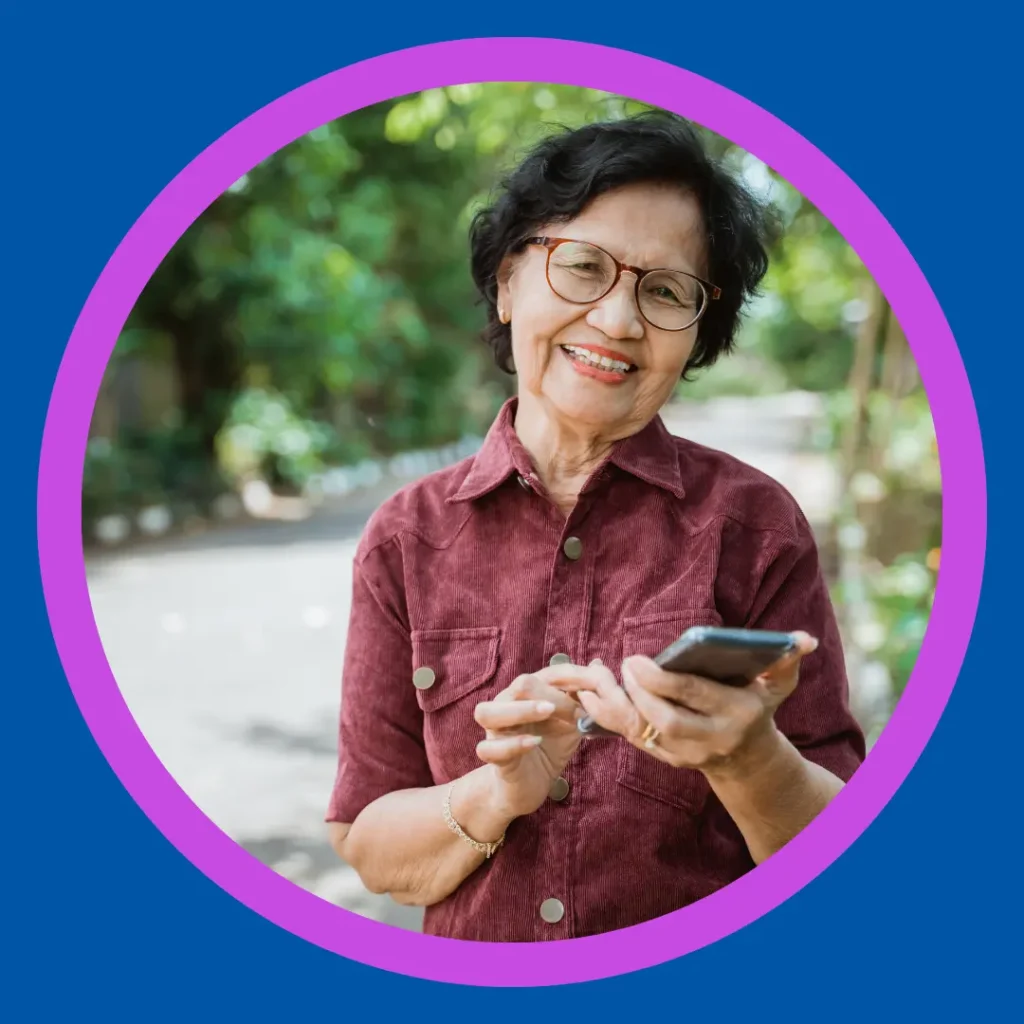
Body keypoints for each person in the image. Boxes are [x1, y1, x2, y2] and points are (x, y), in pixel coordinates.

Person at [325, 111, 865, 942]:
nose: (617, 322)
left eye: (665, 291)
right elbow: (368, 843)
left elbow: (850, 854)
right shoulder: (407, 538)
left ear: (697, 336)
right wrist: (495, 792)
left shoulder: (755, 526)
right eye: (582, 266)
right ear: (508, 284)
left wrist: (748, 759)